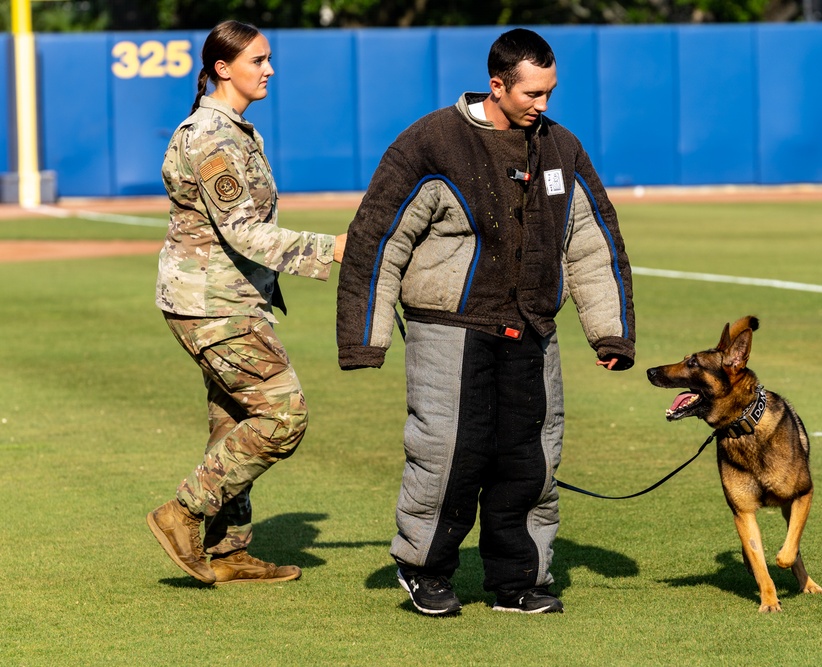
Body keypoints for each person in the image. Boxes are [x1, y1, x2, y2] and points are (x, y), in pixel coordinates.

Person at [336, 28, 635, 615]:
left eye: (550, 92)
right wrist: (364, 338)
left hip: (533, 328)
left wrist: (610, 331)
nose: (543, 105)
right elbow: (377, 237)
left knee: (531, 460)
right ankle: (424, 569)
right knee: (448, 452)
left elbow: (594, 243)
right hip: (450, 325)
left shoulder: (562, 149)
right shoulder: (431, 143)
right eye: (531, 94)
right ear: (497, 86)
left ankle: (519, 579)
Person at [147, 20, 344, 586]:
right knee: (284, 415)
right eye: (258, 60)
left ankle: (228, 550)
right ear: (222, 69)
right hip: (212, 303)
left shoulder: (232, 129)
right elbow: (245, 232)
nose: (270, 69)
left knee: (234, 420)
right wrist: (330, 249)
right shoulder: (212, 136)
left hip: (224, 298)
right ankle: (182, 513)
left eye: (268, 58)